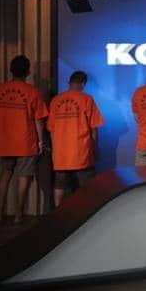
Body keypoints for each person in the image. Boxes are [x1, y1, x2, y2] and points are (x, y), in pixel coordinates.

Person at [0, 55, 48, 223]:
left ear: (11, 70)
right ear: (27, 72)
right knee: (23, 177)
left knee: (5, 174)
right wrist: (40, 141)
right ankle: (18, 215)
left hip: (5, 141)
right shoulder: (33, 92)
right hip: (25, 142)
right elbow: (39, 120)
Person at [47, 71, 104, 207]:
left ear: (69, 82)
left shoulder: (56, 100)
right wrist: (95, 148)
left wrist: (54, 150)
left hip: (61, 153)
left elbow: (51, 129)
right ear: (83, 84)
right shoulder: (87, 99)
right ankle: (87, 213)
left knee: (59, 185)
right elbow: (94, 128)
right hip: (81, 151)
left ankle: (58, 212)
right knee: (88, 186)